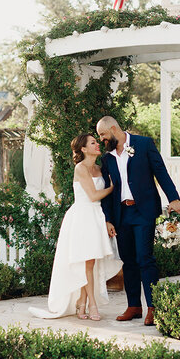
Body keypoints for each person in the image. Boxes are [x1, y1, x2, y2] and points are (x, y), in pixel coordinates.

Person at [96, 116, 180, 326]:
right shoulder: (107, 159)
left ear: (114, 129)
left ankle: (153, 307)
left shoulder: (143, 144)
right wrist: (108, 219)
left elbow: (160, 171)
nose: (102, 140)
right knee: (128, 260)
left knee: (145, 258)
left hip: (143, 211)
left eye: (103, 135)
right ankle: (134, 306)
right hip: (121, 214)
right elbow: (108, 192)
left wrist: (174, 198)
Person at [29, 134, 122, 321]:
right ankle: (92, 305)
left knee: (91, 262)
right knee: (87, 261)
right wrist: (113, 187)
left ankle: (81, 303)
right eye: (93, 143)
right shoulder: (81, 168)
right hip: (83, 216)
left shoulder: (99, 168)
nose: (97, 145)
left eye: (97, 142)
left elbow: (99, 201)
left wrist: (107, 220)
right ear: (83, 149)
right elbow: (93, 195)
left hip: (96, 216)